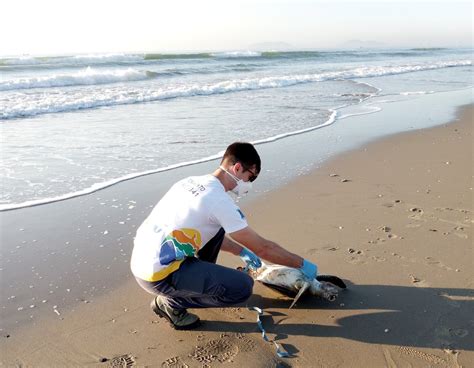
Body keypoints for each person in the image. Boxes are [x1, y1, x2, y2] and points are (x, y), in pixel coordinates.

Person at [130, 142, 318, 329]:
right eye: (250, 177)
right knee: (242, 287)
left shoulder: (188, 182)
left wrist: (241, 251)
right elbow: (263, 248)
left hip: (143, 260)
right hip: (159, 276)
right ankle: (171, 304)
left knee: (216, 227)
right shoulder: (219, 201)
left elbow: (203, 229)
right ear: (237, 168)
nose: (249, 184)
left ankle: (195, 280)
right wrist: (301, 264)